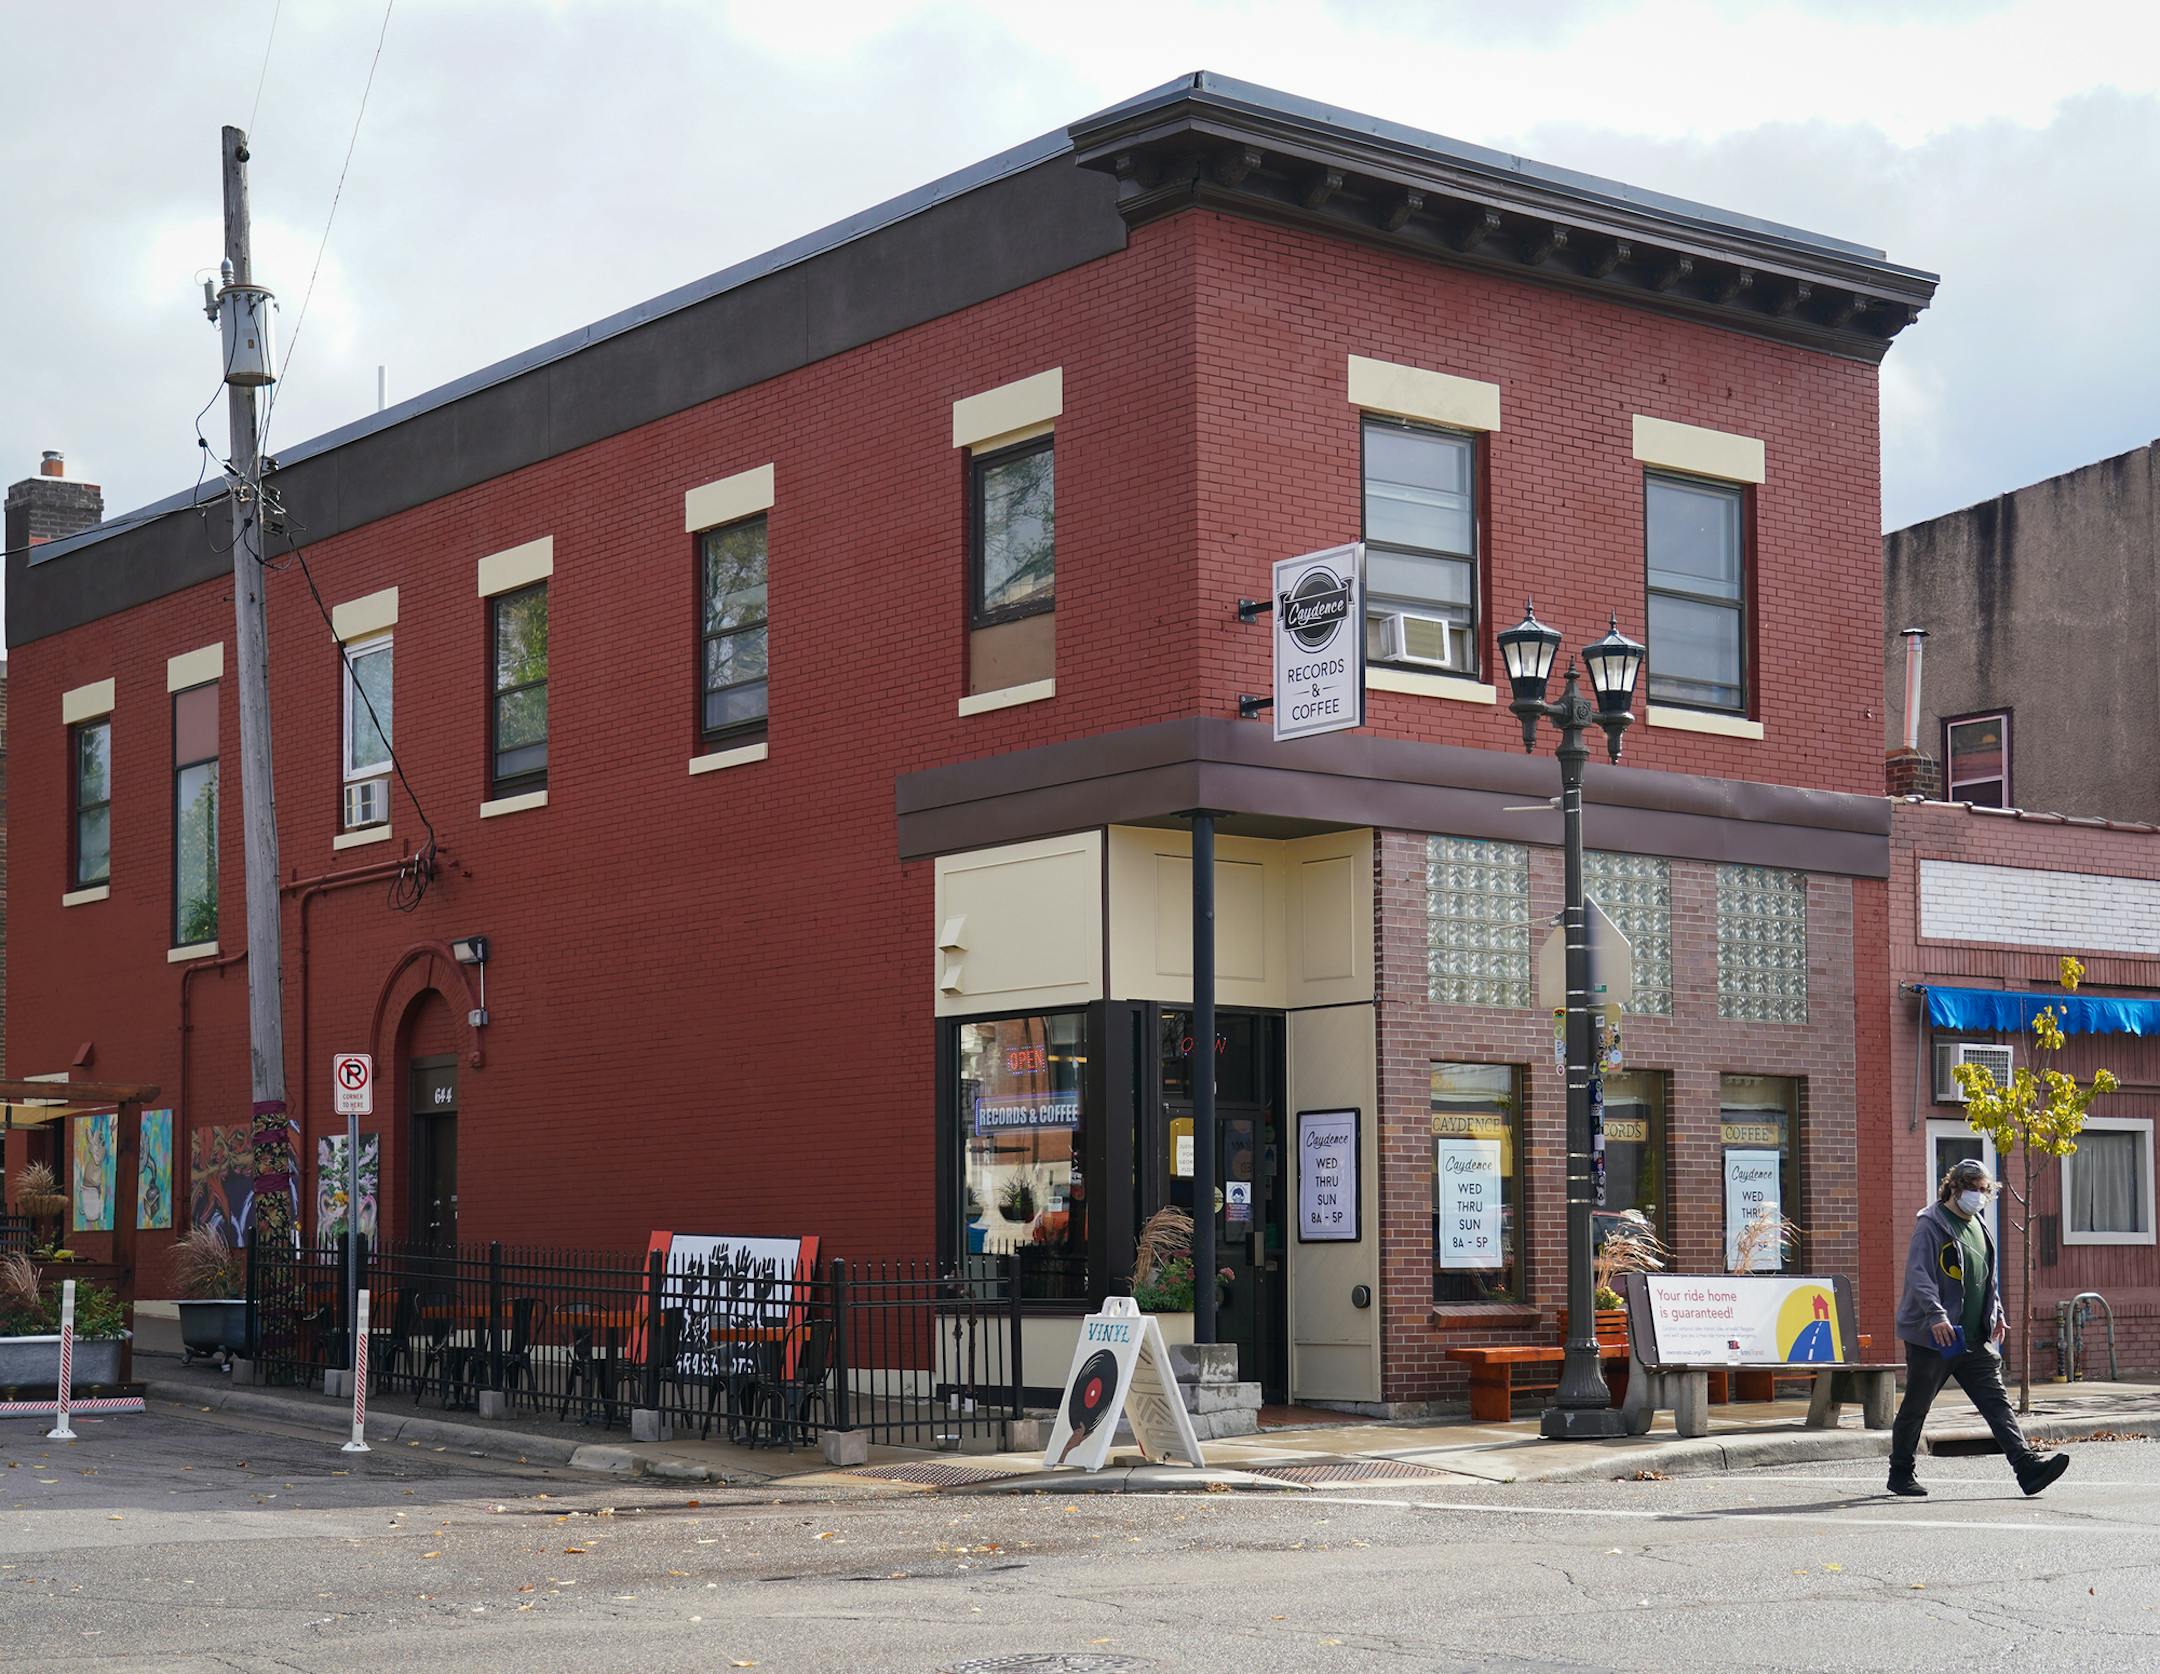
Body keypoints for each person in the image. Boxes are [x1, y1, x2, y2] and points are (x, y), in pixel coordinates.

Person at [1888, 1158, 2069, 1498]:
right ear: (1954, 1187)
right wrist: (1936, 1315)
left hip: (1974, 1337)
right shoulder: (1931, 1224)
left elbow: (1985, 1276)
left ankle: (2026, 1467)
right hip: (1936, 1336)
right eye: (1975, 1189)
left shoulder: (1979, 1225)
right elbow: (1919, 1275)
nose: (1980, 1196)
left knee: (1996, 1403)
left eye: (1986, 1191)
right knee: (1916, 1405)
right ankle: (1900, 1472)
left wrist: (1995, 1310)